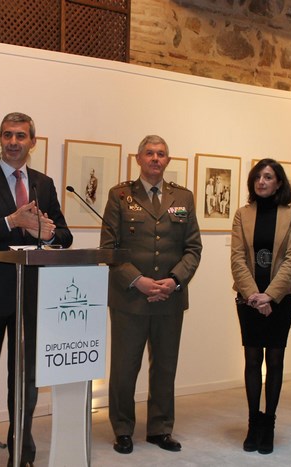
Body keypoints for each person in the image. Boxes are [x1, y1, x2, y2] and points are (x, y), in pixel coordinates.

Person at [0, 112, 73, 467]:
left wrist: (47, 233)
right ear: (0, 139)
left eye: (21, 136)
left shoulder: (44, 183)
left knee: (26, 381)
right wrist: (12, 221)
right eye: (7, 135)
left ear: (32, 142)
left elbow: (64, 237)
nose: (13, 142)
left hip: (32, 298)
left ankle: (21, 452)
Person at [100, 135, 202, 455]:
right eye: (149, 153)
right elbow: (109, 249)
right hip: (130, 298)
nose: (155, 159)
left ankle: (160, 428)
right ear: (138, 158)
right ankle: (123, 428)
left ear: (167, 161)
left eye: (161, 154)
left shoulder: (183, 197)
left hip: (169, 298)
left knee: (165, 367)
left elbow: (193, 248)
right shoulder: (119, 196)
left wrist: (174, 281)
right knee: (124, 367)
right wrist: (138, 281)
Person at [230, 158, 291, 455]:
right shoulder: (242, 214)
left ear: (279, 182)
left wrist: (269, 296)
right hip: (248, 300)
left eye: (268, 176)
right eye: (258, 176)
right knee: (251, 360)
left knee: (274, 362)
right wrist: (254, 297)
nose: (262, 181)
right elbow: (237, 259)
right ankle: (252, 423)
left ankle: (268, 423)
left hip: (281, 300)